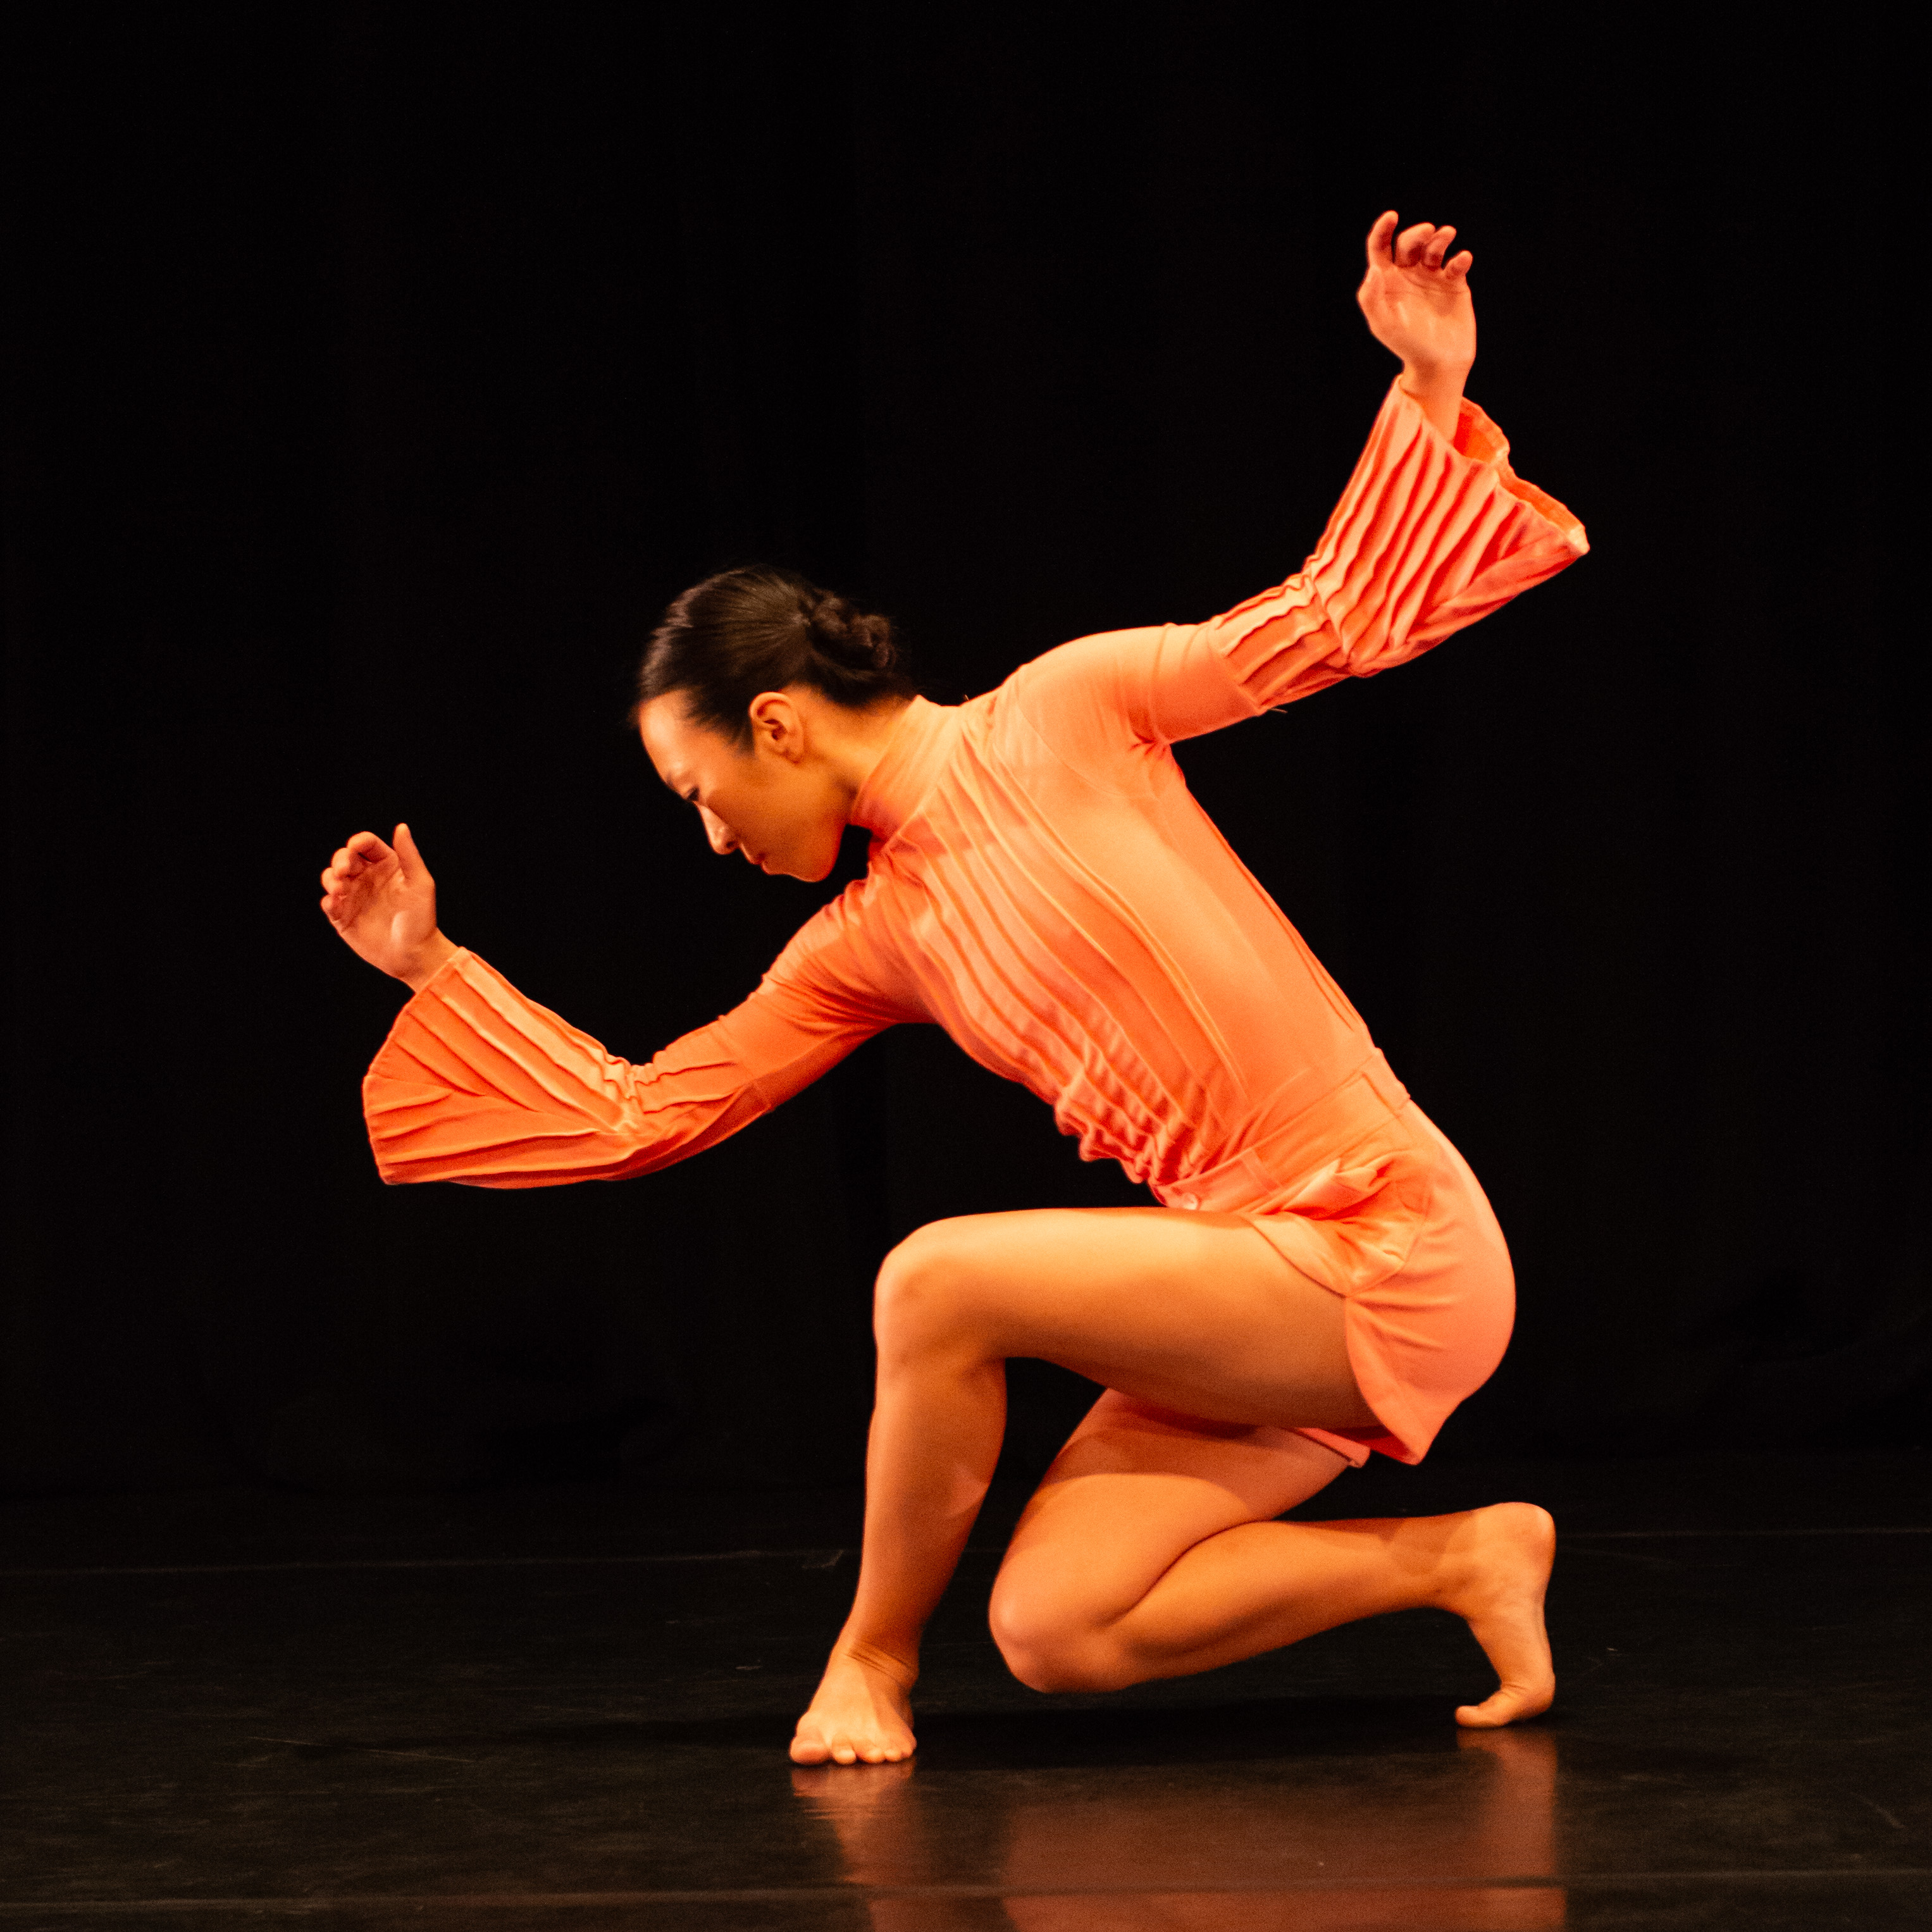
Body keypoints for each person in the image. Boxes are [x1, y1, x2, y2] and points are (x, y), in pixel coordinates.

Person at [319, 212, 1587, 1767]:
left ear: (777, 723)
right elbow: (653, 1109)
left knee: (934, 1278)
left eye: (697, 787)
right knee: (1060, 1628)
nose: (710, 835)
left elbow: (1321, 625)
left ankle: (870, 1659)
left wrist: (1427, 383)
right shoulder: (873, 938)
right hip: (1244, 1286)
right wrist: (430, 968)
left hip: (1386, 1238)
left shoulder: (1063, 711)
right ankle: (1460, 1557)